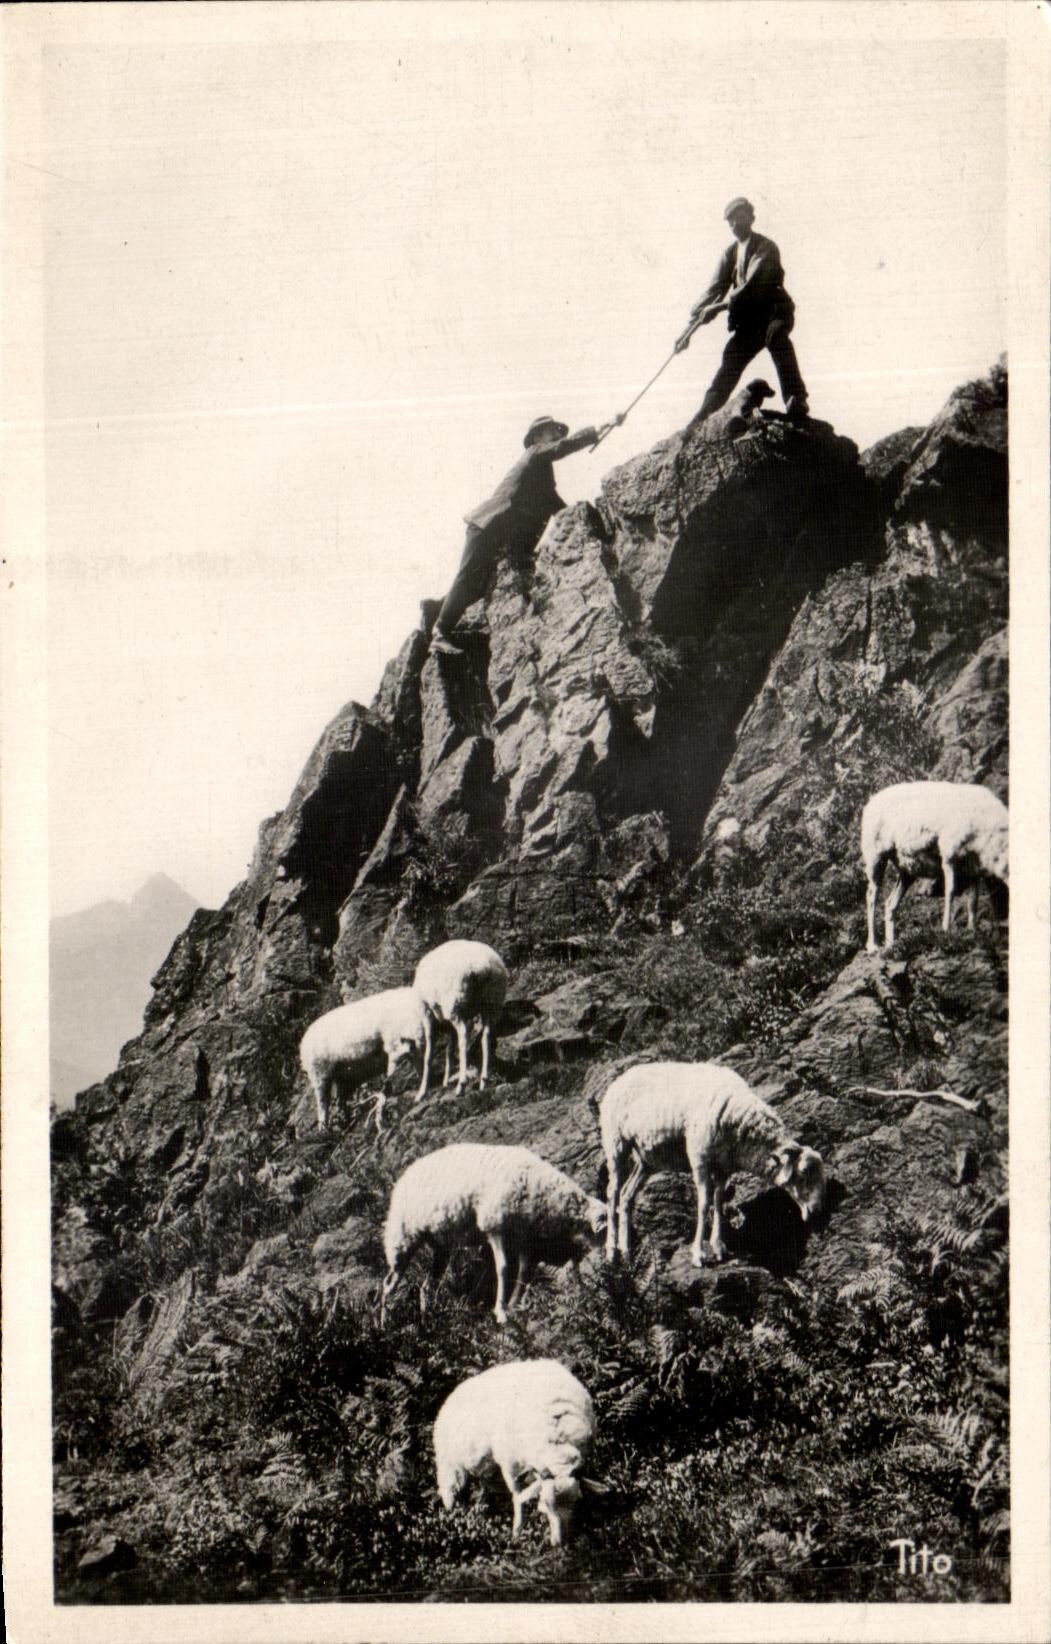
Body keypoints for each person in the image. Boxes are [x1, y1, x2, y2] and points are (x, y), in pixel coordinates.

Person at [430, 412, 623, 656]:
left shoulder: (542, 476)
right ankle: (440, 633)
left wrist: (584, 520)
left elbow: (557, 507)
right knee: (467, 577)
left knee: (479, 585)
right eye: (552, 431)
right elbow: (564, 447)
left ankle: (447, 619)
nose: (556, 436)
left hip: (499, 535)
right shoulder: (534, 454)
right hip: (487, 525)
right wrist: (599, 428)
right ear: (537, 437)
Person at [676, 197, 809, 425]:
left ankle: (795, 399)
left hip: (774, 313)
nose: (735, 224)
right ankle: (702, 417)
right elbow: (713, 290)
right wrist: (687, 332)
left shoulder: (766, 247)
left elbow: (752, 286)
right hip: (750, 322)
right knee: (731, 360)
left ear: (751, 218)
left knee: (776, 337)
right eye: (731, 221)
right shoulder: (730, 254)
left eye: (739, 218)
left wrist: (718, 307)